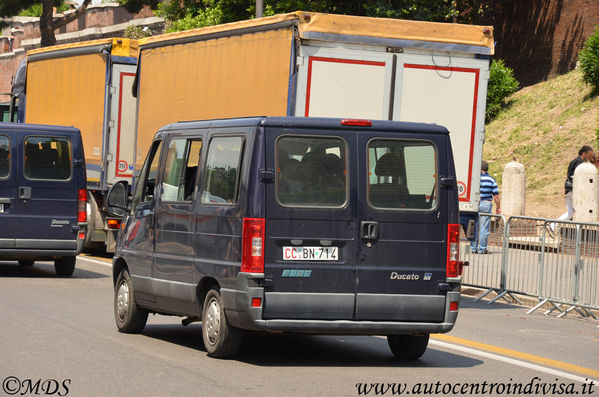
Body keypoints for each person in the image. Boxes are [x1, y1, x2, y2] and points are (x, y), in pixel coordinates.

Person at [471, 160, 500, 254]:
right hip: (486, 204)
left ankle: (473, 248)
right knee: (483, 228)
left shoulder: (475, 179)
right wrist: (498, 207)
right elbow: (496, 196)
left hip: (475, 203)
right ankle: (482, 248)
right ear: (487, 168)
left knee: (474, 226)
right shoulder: (491, 180)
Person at [558, 145, 594, 221]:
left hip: (569, 189)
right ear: (584, 154)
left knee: (571, 212)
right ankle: (553, 225)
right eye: (589, 155)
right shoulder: (580, 163)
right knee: (576, 212)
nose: (590, 158)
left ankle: (554, 226)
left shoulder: (574, 161)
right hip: (574, 190)